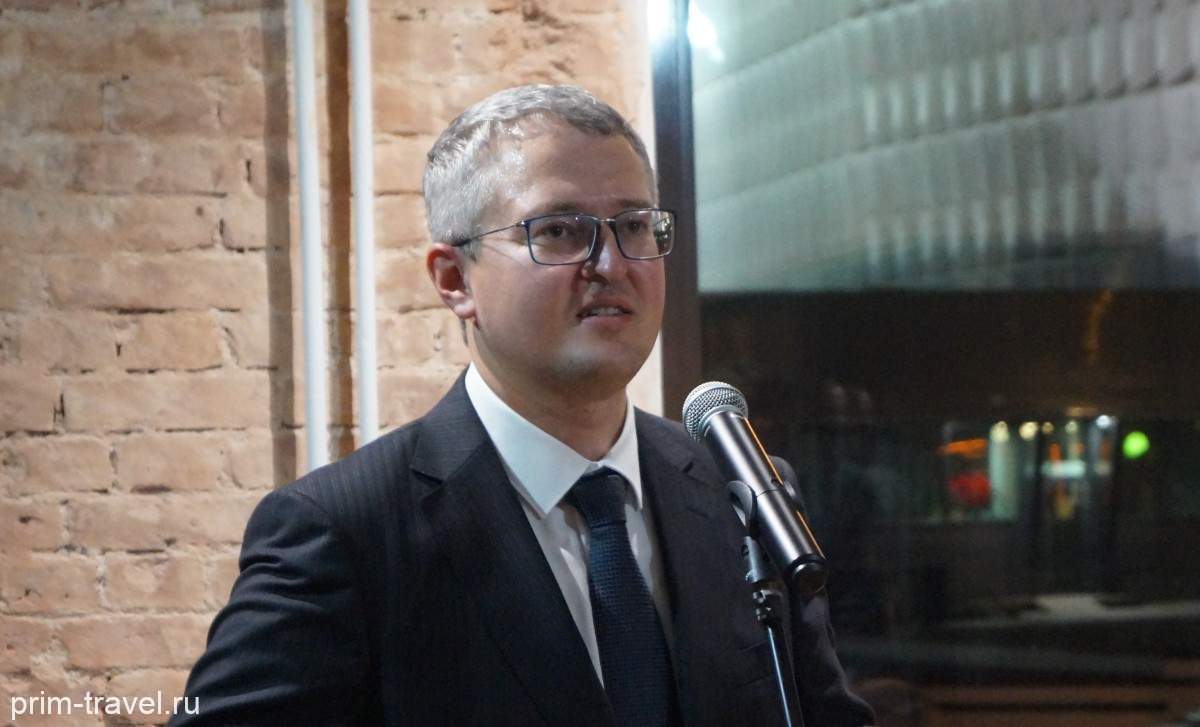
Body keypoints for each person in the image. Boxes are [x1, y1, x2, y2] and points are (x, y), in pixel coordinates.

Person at [170, 84, 874, 727]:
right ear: (455, 279)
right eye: (560, 231)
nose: (612, 264)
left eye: (634, 226)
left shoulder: (737, 493)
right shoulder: (347, 533)